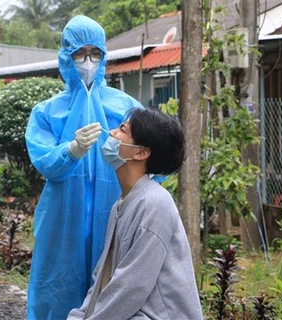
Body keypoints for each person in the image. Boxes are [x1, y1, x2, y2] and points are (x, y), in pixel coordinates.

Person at [24, 15, 143, 319]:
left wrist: (129, 164)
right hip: (62, 220)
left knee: (113, 289)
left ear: (104, 57)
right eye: (79, 53)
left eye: (95, 54)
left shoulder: (126, 107)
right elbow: (45, 163)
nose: (87, 62)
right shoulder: (47, 112)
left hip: (114, 213)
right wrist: (71, 150)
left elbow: (156, 158)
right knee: (56, 290)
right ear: (65, 56)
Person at [67, 108, 203, 320]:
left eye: (122, 130)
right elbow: (104, 276)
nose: (111, 133)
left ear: (141, 153)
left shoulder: (155, 204)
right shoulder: (122, 204)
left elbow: (131, 286)